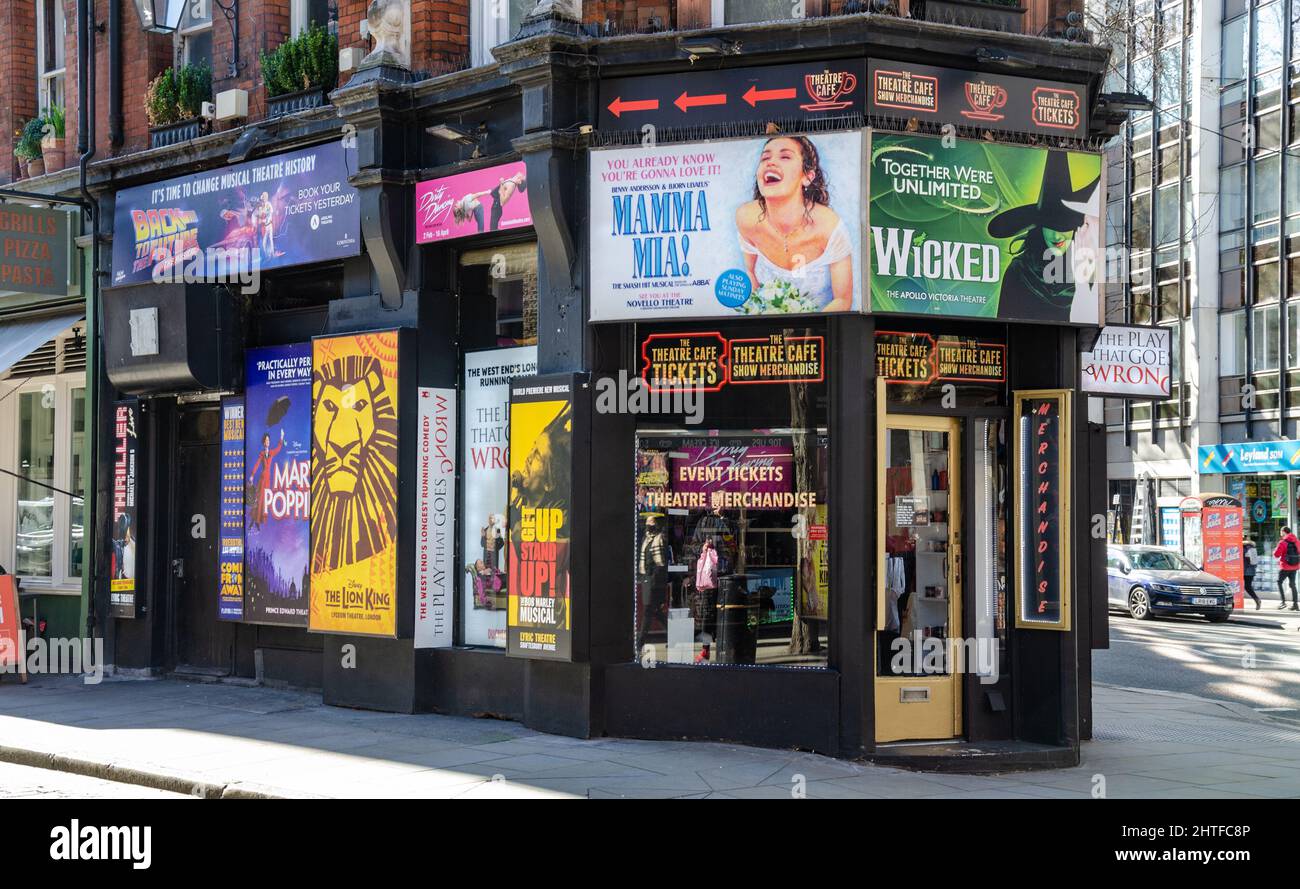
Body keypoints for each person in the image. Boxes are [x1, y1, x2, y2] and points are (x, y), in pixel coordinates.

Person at [734, 135, 854, 311]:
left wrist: (806, 333)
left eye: (785, 157)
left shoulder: (829, 227)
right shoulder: (747, 218)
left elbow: (843, 300)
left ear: (807, 176)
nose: (771, 163)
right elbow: (750, 274)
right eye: (765, 157)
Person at [987, 151, 1101, 323]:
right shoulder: (1019, 271)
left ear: (1075, 228)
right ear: (1038, 227)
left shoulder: (1089, 271)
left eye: (1064, 227)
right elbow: (1003, 330)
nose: (1056, 235)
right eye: (1050, 226)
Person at [637, 515, 672, 653]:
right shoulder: (645, 539)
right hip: (647, 579)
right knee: (654, 611)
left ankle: (640, 642)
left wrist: (653, 577)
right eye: (647, 522)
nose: (648, 524)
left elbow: (661, 562)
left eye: (650, 522)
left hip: (655, 581)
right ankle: (673, 634)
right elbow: (643, 559)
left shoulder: (660, 539)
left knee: (648, 610)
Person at [248, 428, 285, 528]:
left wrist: (281, 437)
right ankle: (254, 520)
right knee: (259, 499)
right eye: (266, 440)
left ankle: (258, 521)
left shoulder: (272, 452)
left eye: (268, 440)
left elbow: (278, 448)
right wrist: (252, 475)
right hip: (262, 480)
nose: (267, 442)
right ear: (264, 443)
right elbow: (256, 464)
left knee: (264, 501)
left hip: (268, 480)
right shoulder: (262, 454)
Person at [693, 537, 719, 663]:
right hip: (709, 582)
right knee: (707, 616)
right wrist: (702, 548)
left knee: (711, 617)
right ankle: (706, 649)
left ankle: (707, 649)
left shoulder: (727, 526)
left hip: (716, 581)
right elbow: (694, 545)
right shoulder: (704, 522)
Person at [1273, 526, 1300, 610]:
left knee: (1279, 582)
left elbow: (1276, 555)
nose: (1280, 533)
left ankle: (1283, 602)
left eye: (1281, 531)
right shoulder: (1297, 541)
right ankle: (1295, 604)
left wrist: (1274, 551)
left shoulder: (1282, 542)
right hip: (1295, 566)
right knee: (1292, 584)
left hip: (1285, 567)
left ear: (1284, 531)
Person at [1243, 536, 1260, 610]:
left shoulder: (1244, 547)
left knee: (1247, 586)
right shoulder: (1252, 547)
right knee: (1247, 586)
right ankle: (1257, 600)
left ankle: (1257, 600)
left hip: (1245, 569)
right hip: (1251, 569)